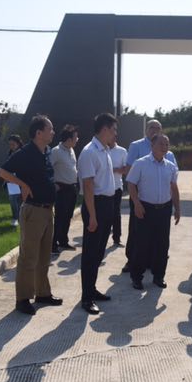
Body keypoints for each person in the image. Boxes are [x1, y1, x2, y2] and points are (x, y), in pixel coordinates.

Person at [0, 115, 63, 316]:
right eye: (50, 129)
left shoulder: (46, 151)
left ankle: (42, 293)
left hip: (47, 210)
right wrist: (23, 185)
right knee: (29, 257)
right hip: (33, 211)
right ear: (39, 133)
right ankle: (23, 299)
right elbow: (2, 171)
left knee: (44, 255)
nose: (53, 132)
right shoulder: (25, 153)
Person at [125, 133, 181, 290]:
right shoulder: (141, 163)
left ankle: (159, 276)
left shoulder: (170, 166)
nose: (164, 147)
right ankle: (137, 277)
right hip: (145, 209)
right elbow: (131, 184)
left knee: (162, 244)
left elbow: (174, 187)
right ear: (152, 145)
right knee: (142, 244)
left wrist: (177, 208)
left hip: (164, 209)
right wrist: (136, 204)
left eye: (166, 144)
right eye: (161, 144)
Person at [77, 113, 119, 315]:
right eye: (113, 129)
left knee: (99, 252)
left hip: (107, 204)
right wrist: (92, 216)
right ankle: (86, 298)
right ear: (104, 129)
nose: (115, 134)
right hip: (96, 206)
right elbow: (88, 186)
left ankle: (92, 289)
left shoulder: (105, 150)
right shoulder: (89, 152)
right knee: (90, 253)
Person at [50, 125, 79, 253]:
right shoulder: (56, 151)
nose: (77, 139)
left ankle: (63, 241)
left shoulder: (71, 150)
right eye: (75, 137)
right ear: (68, 139)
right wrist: (53, 184)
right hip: (61, 189)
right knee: (60, 217)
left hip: (72, 188)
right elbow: (48, 168)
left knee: (68, 216)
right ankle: (53, 244)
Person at [107, 135, 128, 246]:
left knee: (116, 213)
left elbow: (126, 169)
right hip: (103, 188)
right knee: (105, 213)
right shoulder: (102, 150)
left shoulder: (122, 151)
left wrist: (114, 170)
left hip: (116, 187)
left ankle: (116, 238)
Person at [4, 135, 23, 226]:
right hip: (11, 180)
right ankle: (15, 217)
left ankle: (20, 217)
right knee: (13, 199)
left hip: (21, 180)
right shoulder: (10, 153)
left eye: (13, 144)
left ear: (18, 144)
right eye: (10, 144)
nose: (11, 146)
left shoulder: (22, 153)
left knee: (19, 200)